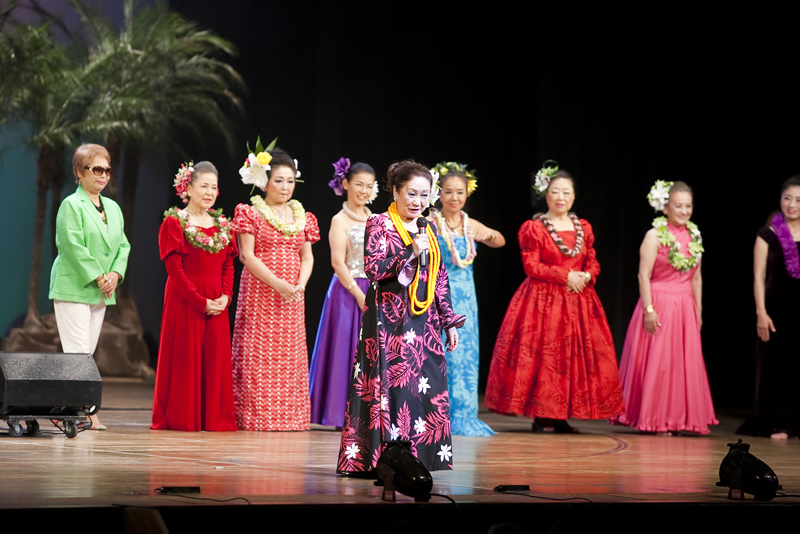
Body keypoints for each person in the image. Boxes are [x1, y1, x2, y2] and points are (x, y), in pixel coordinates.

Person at [337, 160, 465, 474]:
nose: (418, 201)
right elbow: (374, 269)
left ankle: (421, 457)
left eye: (424, 195)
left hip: (425, 320)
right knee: (392, 387)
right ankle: (383, 459)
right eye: (411, 193)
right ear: (396, 191)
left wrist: (448, 320)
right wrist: (409, 251)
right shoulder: (379, 223)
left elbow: (439, 276)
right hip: (389, 319)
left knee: (425, 385)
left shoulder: (429, 227)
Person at [484, 162, 623, 433]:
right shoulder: (534, 228)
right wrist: (565, 276)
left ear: (574, 196)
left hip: (578, 299)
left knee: (571, 358)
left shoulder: (583, 227)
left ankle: (561, 416)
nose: (561, 197)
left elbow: (592, 260)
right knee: (546, 357)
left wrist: (587, 275)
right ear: (546, 195)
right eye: (556, 192)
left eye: (567, 192)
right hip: (543, 301)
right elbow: (531, 266)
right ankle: (542, 415)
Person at [610, 181, 717, 435]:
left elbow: (697, 278)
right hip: (659, 303)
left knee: (681, 365)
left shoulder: (695, 235)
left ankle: (678, 419)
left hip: (685, 307)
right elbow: (643, 275)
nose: (684, 211)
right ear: (666, 208)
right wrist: (648, 309)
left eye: (688, 206)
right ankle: (654, 419)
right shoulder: (654, 235)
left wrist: (699, 311)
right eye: (678, 206)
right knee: (660, 364)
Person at [231, 146, 320, 431]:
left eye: (290, 181)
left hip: (292, 295)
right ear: (264, 182)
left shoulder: (302, 215)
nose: (285, 186)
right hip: (261, 293)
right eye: (279, 180)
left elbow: (307, 257)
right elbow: (247, 256)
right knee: (258, 354)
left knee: (289, 357)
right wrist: (278, 284)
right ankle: (256, 417)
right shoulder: (250, 212)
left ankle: (290, 418)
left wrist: (299, 285)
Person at [49, 143, 130, 431]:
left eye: (107, 170)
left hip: (101, 290)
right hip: (74, 286)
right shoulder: (71, 205)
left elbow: (123, 245)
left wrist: (115, 274)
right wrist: (99, 276)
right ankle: (85, 410)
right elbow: (71, 245)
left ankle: (68, 407)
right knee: (78, 351)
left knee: (86, 353)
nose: (103, 175)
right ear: (80, 172)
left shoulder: (113, 208)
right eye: (96, 169)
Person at [151, 161, 237, 432]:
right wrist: (199, 301)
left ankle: (213, 418)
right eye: (204, 186)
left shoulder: (223, 224)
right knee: (185, 359)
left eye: (214, 187)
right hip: (186, 300)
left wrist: (225, 296)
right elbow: (174, 269)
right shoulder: (175, 222)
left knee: (214, 360)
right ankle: (183, 416)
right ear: (187, 188)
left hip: (216, 302)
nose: (210, 192)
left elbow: (228, 265)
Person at [427, 161, 505, 437]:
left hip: (466, 299)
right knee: (440, 353)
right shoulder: (432, 222)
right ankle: (435, 413)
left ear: (467, 194)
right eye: (448, 191)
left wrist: (489, 234)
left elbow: (500, 241)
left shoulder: (469, 224)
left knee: (464, 354)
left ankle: (462, 414)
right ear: (439, 193)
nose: (454, 197)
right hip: (438, 295)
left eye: (460, 192)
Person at [309, 158, 377, 428]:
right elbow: (337, 262)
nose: (364, 190)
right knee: (343, 351)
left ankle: (366, 413)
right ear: (346, 184)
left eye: (369, 186)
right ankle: (339, 413)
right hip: (347, 290)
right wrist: (359, 295)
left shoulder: (377, 219)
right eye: (359, 184)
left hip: (373, 289)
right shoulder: (339, 220)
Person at [739, 176, 800, 439]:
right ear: (780, 200)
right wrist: (761, 313)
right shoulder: (768, 234)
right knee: (777, 367)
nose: (792, 204)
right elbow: (758, 277)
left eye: (799, 200)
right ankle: (779, 423)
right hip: (775, 309)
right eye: (788, 198)